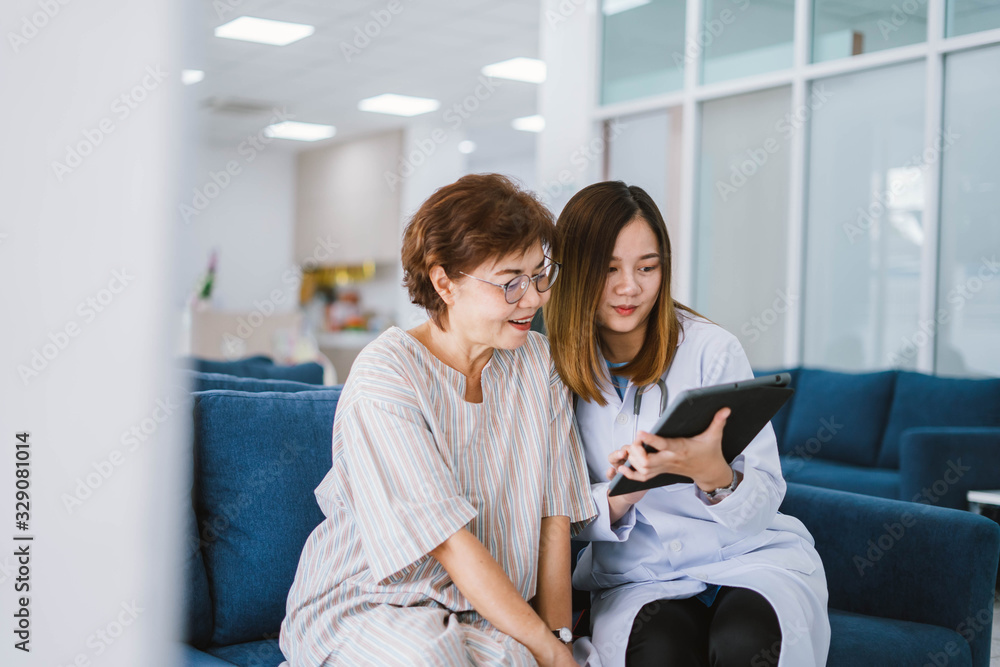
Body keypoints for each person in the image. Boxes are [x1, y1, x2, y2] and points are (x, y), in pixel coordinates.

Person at [279, 174, 596, 667]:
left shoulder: (540, 365)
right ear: (444, 281)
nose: (532, 298)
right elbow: (448, 542)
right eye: (510, 281)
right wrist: (550, 654)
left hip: (479, 613)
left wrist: (557, 640)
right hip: (369, 603)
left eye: (539, 275)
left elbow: (552, 520)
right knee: (431, 659)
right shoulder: (388, 373)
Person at [544, 181, 830, 667]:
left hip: (747, 558)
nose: (629, 287)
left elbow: (765, 495)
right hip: (641, 576)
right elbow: (552, 517)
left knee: (746, 644)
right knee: (661, 652)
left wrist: (716, 477)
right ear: (573, 272)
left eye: (647, 267)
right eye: (608, 269)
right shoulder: (549, 371)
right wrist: (621, 494)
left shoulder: (711, 350)